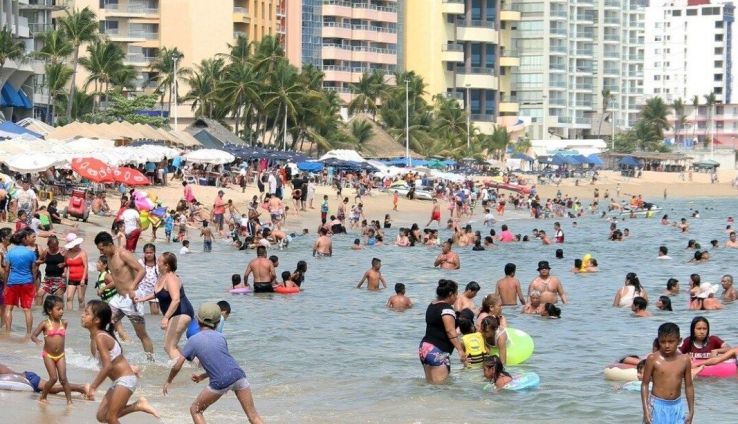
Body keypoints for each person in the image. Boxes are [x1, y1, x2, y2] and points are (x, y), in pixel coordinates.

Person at [163, 303, 264, 424]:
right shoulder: (221, 337)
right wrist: (202, 376)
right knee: (253, 416)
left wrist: (169, 380)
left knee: (195, 410)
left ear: (197, 320)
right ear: (218, 322)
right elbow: (223, 363)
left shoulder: (193, 340)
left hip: (221, 380)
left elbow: (178, 365)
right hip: (239, 375)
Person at [82, 300, 159, 423]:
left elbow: (107, 366)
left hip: (125, 380)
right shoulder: (96, 337)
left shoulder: (101, 337)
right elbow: (116, 358)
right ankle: (137, 405)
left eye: (86, 314)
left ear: (96, 320)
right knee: (102, 416)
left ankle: (138, 405)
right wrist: (130, 367)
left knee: (111, 417)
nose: (82, 315)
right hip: (118, 381)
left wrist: (93, 387)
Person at [94, 231, 154, 360]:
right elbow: (117, 278)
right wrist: (104, 288)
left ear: (109, 244)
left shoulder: (123, 254)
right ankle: (113, 357)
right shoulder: (108, 257)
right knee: (102, 324)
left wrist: (132, 287)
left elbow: (141, 270)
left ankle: (151, 361)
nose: (101, 252)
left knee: (141, 334)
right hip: (118, 298)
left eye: (102, 249)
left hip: (132, 298)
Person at [135, 252, 193, 359]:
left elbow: (176, 299)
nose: (157, 263)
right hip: (174, 314)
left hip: (181, 313)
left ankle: (182, 367)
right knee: (171, 346)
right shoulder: (162, 277)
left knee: (169, 347)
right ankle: (192, 363)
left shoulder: (171, 278)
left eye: (159, 261)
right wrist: (142, 299)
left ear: (167, 265)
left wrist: (166, 318)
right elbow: (159, 294)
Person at [640, 322, 694, 424]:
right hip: (656, 406)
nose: (667, 345)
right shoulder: (653, 359)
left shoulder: (685, 360)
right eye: (663, 342)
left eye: (671, 341)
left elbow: (689, 386)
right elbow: (645, 384)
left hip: (677, 406)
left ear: (679, 341)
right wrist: (646, 410)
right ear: (658, 341)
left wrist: (691, 411)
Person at [418, 279, 467, 383]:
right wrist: (460, 350)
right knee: (441, 387)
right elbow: (450, 331)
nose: (456, 297)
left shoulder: (432, 305)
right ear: (450, 293)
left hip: (425, 348)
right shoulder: (447, 309)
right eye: (456, 294)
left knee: (430, 384)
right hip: (438, 350)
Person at [29, 295, 72, 404]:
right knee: (53, 378)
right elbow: (33, 335)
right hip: (48, 355)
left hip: (61, 355)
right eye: (58, 309)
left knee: (63, 379)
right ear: (49, 310)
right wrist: (37, 340)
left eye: (62, 308)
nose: (62, 311)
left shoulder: (64, 323)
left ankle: (69, 401)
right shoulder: (45, 324)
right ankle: (43, 397)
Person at [3, 228, 37, 336]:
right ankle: (29, 334)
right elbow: (34, 270)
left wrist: (5, 285)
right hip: (27, 282)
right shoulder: (31, 253)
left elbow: (7, 270)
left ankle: (8, 332)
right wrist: (34, 284)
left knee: (8, 308)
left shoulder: (10, 253)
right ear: (24, 239)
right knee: (27, 309)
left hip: (12, 282)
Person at [0, 362, 89, 398]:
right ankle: (81, 389)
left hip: (28, 379)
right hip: (26, 378)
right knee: (53, 390)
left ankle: (82, 387)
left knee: (54, 388)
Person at [36, 235, 66, 305]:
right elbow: (41, 260)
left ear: (58, 245)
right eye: (51, 247)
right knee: (39, 294)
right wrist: (36, 263)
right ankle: (38, 311)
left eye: (55, 247)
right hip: (47, 279)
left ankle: (59, 311)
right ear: (48, 245)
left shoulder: (63, 251)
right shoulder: (46, 251)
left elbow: (70, 262)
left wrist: (64, 263)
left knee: (58, 298)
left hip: (59, 279)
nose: (53, 248)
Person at [63, 233, 88, 311]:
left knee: (80, 298)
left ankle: (81, 314)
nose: (78, 246)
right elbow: (66, 264)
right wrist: (64, 272)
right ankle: (70, 315)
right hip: (71, 278)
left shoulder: (82, 252)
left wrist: (83, 279)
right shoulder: (67, 253)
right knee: (69, 298)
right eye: (75, 245)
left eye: (77, 244)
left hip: (81, 278)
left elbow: (86, 266)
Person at [137, 244, 160, 315]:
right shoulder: (140, 262)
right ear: (144, 253)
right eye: (147, 253)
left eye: (151, 252)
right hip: (141, 289)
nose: (149, 255)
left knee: (155, 313)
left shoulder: (159, 263)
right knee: (137, 312)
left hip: (154, 290)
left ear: (154, 252)